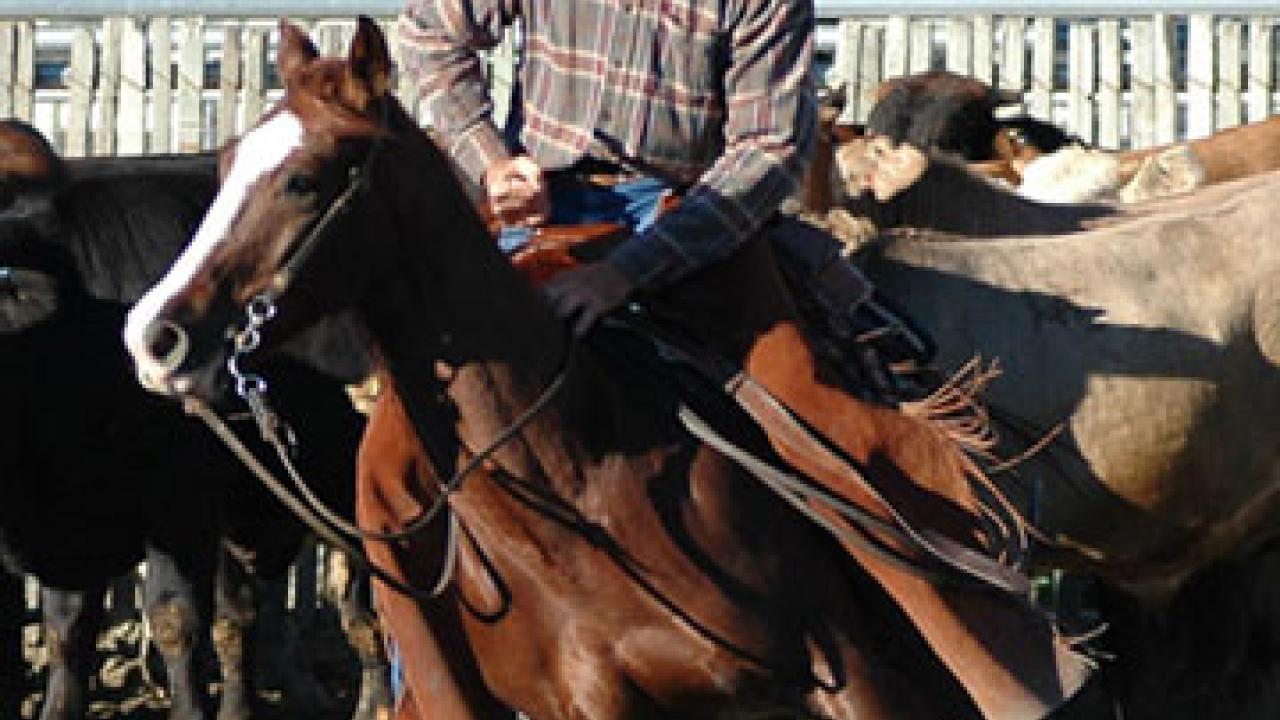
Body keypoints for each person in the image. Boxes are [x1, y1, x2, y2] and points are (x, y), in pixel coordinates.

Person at [398, 0, 825, 337]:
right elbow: (428, 31)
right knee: (452, 363)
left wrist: (627, 270)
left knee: (793, 392)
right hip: (541, 205)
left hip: (687, 213)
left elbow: (771, 145)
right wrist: (492, 163)